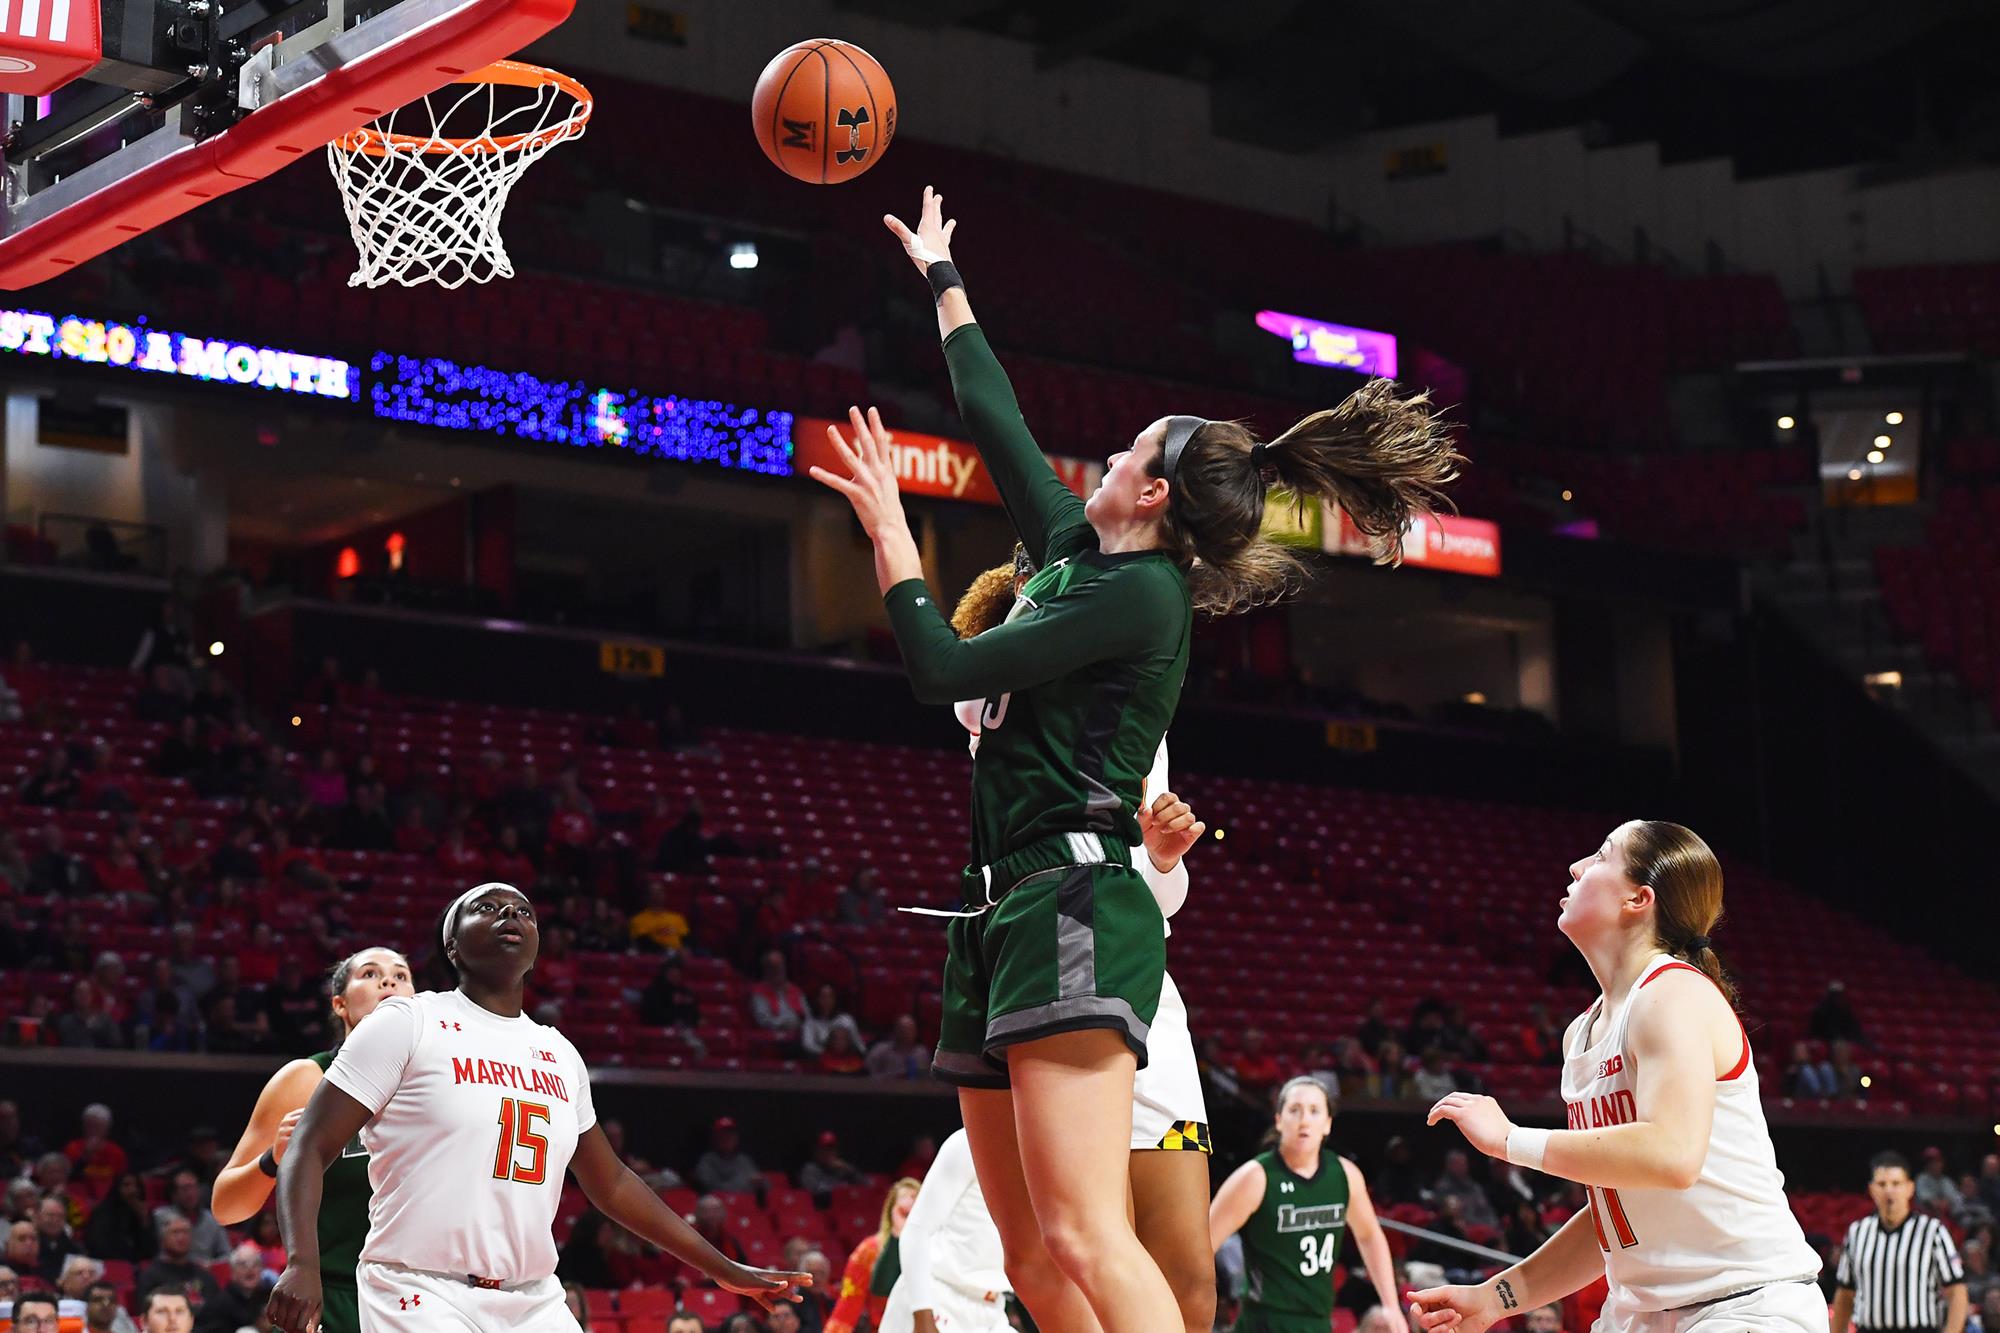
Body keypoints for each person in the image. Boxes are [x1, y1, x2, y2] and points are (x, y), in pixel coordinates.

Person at [812, 187, 1457, 1333]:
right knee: (1028, 1252)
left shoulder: (1142, 595)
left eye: (1124, 452)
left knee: (1083, 1232)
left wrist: (892, 538)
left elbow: (936, 669)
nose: (1104, 457)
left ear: (1151, 492)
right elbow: (995, 419)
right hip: (995, 907)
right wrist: (943, 277)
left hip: (1072, 898)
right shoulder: (1075, 551)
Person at [266, 882, 807, 1333]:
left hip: (534, 1300)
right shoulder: (409, 1021)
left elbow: (612, 1184)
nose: (509, 914)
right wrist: (301, 1262)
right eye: (487, 907)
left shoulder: (557, 1052)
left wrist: (722, 1267)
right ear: (452, 946)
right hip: (419, 1290)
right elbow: (310, 1145)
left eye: (523, 911)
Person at [1411, 821, 1823, 1333]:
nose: (1576, 867)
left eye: (1601, 856)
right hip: (1640, 1312)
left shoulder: (1673, 994)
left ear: (1638, 898)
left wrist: (1511, 1141)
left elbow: (1672, 1156)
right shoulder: (1582, 1032)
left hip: (1743, 1304)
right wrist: (1497, 1298)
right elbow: (1615, 1212)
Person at [951, 543, 1216, 1333]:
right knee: (1078, 1243)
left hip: (1133, 956)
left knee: (1188, 1277)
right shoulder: (996, 692)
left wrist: (1164, 857)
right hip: (1048, 937)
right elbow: (955, 675)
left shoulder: (1131, 692)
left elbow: (1163, 897)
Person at [210, 946, 414, 1333]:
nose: (388, 981)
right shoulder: (306, 1079)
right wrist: (273, 1159)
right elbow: (225, 1207)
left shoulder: (439, 1085)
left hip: (425, 1295)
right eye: (370, 974)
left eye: (401, 976)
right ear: (339, 1004)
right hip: (336, 1295)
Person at [1209, 1076, 1407, 1333]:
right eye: (1295, 1110)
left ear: (1327, 1124)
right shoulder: (1255, 1178)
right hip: (1265, 1322)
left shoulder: (1345, 1175)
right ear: (1279, 1120)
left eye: (1314, 1111)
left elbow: (1369, 1235)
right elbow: (1203, 1244)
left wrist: (1391, 1305)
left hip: (1317, 1322)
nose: (1304, 1120)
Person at [876, 1129, 1008, 1333]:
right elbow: (917, 1229)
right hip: (938, 1296)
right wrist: (922, 1313)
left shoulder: (1048, 1154)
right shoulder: (969, 1142)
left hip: (992, 1306)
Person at [1832, 1151, 1967, 1333]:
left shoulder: (1932, 1231)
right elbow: (1845, 1294)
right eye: (1882, 1184)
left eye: (1896, 1184)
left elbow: (1956, 1290)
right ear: (1871, 1189)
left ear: (1910, 1188)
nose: (1888, 1190)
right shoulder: (1858, 1232)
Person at [826, 1179, 920, 1333]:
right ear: (892, 1213)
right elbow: (848, 1306)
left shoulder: (938, 1247)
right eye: (904, 1213)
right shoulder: (869, 1251)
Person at [133, 1216, 221, 1309]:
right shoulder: (150, 1278)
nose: (181, 1237)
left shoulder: (204, 1275)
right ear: (162, 1240)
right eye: (175, 1232)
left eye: (185, 1232)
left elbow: (218, 1310)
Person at [152, 1171, 230, 1263]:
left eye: (193, 1187)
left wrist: (210, 1266)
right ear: (174, 1194)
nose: (190, 1193)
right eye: (185, 1189)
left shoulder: (212, 1219)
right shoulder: (160, 1216)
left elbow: (226, 1254)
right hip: (171, 1270)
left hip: (206, 1272)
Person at [194, 1243, 273, 1333]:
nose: (250, 1269)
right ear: (232, 1271)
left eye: (255, 1264)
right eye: (243, 1264)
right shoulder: (219, 1304)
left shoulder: (269, 1297)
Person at [694, 1118, 764, 1197]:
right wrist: (746, 1185)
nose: (728, 1138)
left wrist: (759, 1184)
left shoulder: (744, 1160)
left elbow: (764, 1185)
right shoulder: (707, 1160)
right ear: (715, 1138)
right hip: (719, 1205)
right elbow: (712, 1188)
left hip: (744, 1203)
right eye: (723, 1135)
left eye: (731, 1134)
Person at [799, 1133, 865, 1198]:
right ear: (816, 1151)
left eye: (831, 1149)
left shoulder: (843, 1167)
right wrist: (841, 1188)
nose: (827, 1152)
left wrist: (849, 1169)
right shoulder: (810, 1169)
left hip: (846, 1204)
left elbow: (867, 1184)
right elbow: (815, 1190)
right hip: (822, 1206)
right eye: (823, 1149)